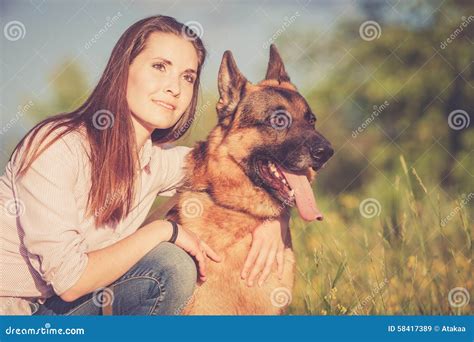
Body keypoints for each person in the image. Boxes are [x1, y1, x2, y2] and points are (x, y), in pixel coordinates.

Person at [0, 15, 289, 316]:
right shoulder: (56, 145)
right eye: (160, 67)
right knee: (171, 263)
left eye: (187, 77)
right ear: (122, 70)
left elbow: (237, 168)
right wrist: (164, 230)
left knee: (170, 266)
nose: (174, 88)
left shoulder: (156, 162)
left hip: (54, 308)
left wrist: (275, 218)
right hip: (11, 308)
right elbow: (70, 281)